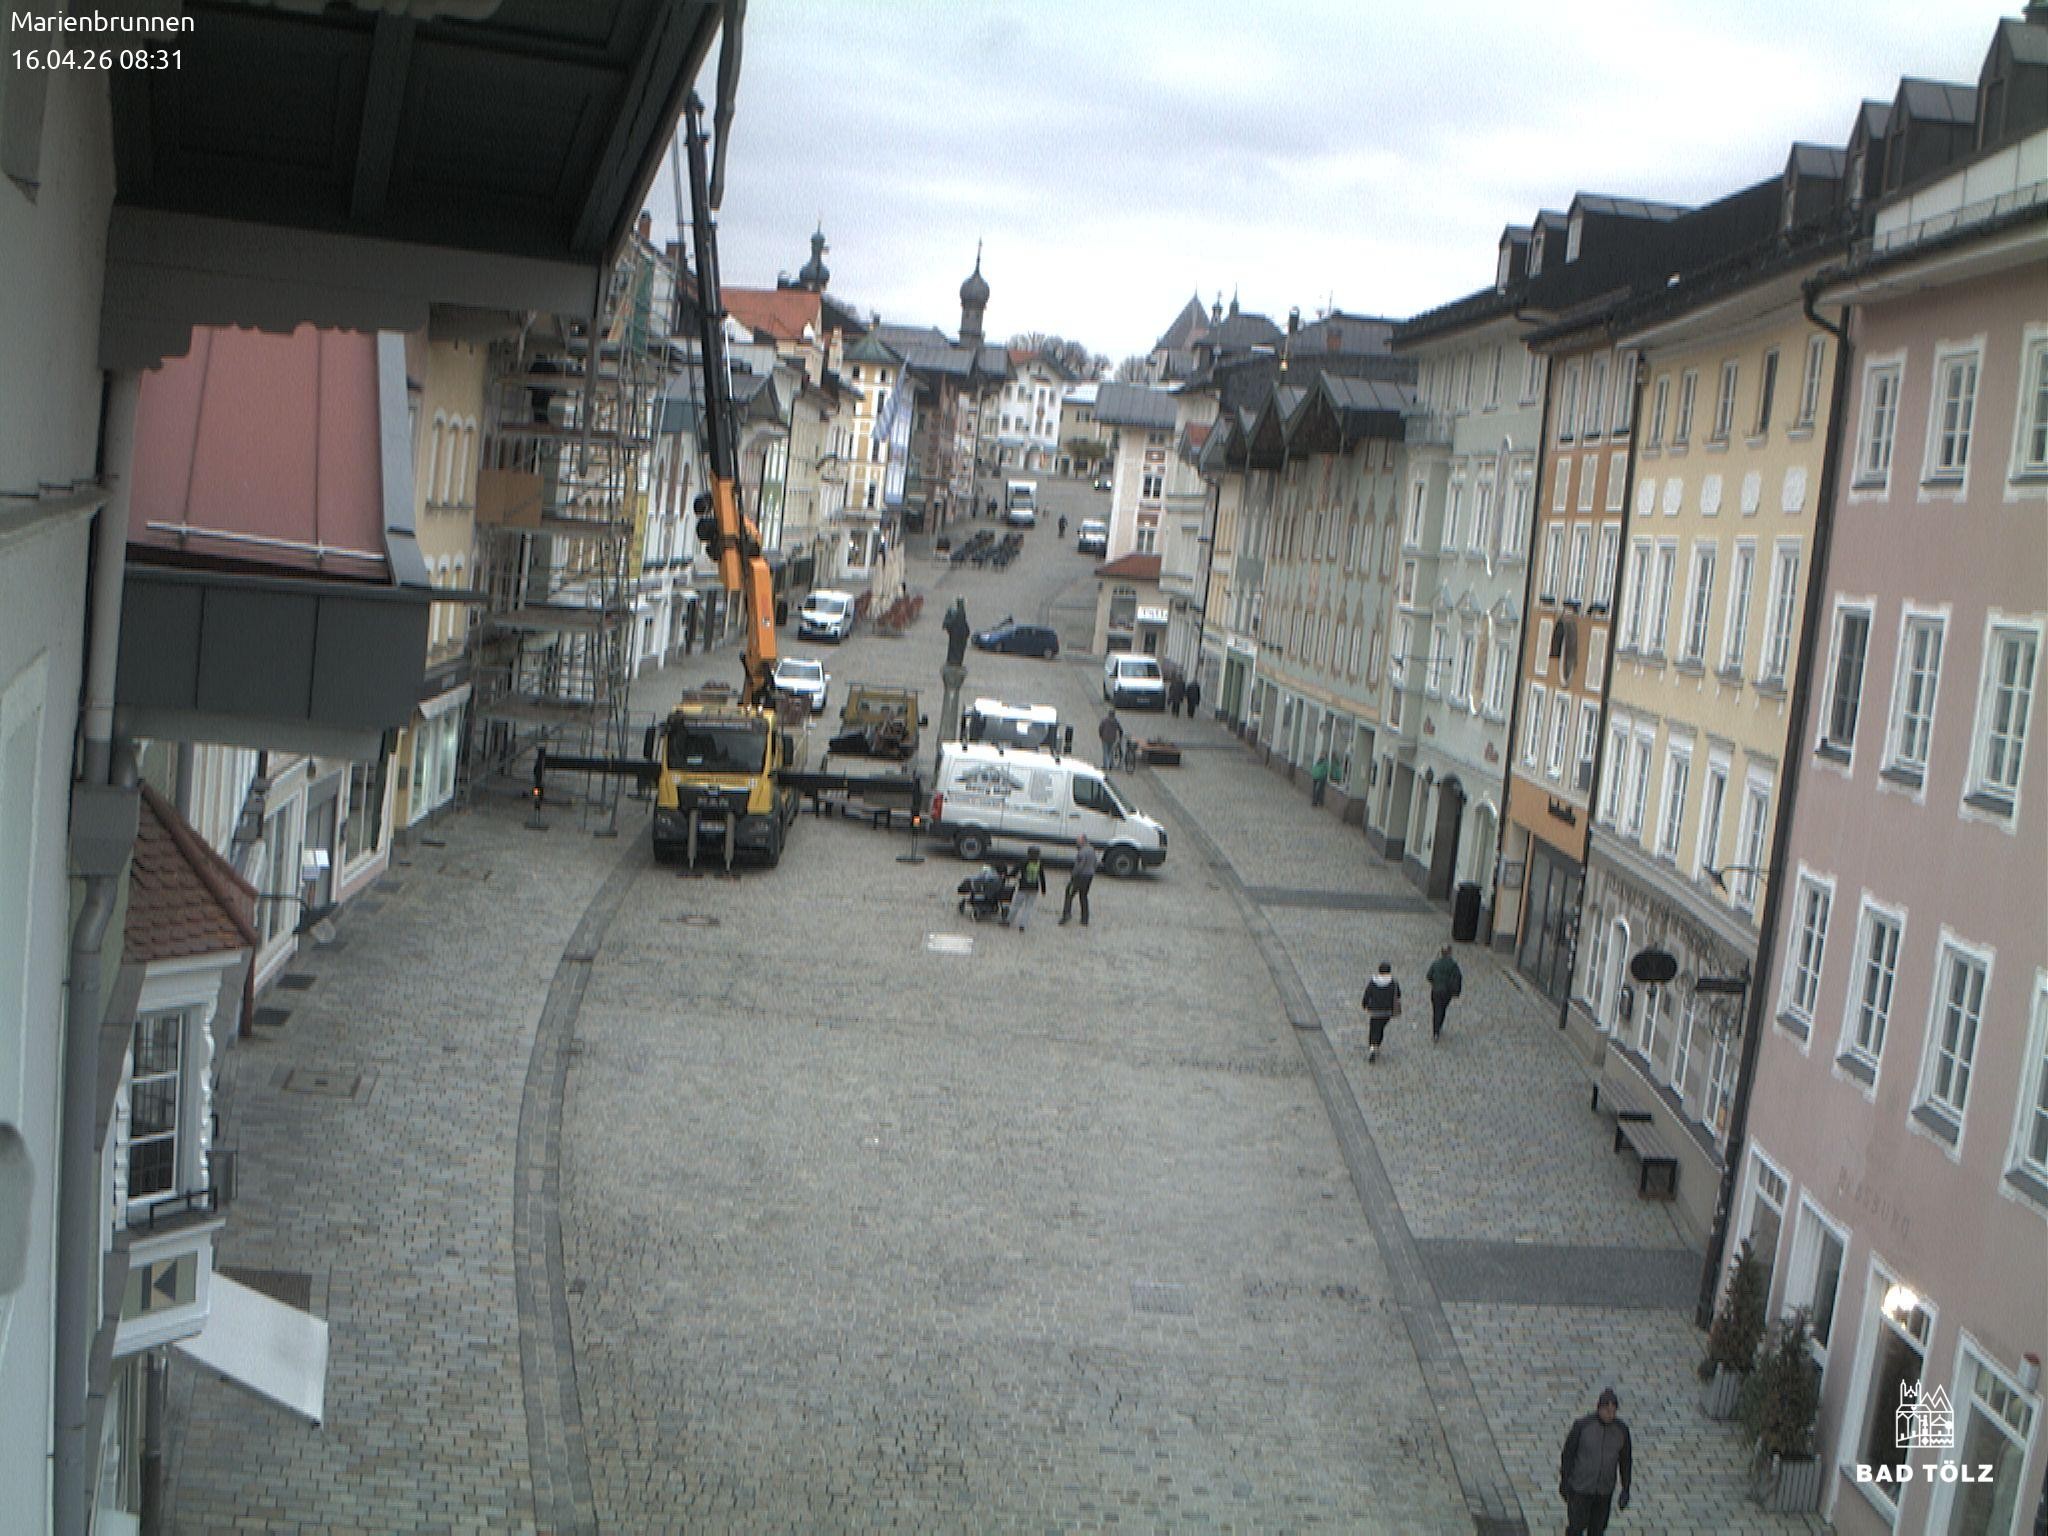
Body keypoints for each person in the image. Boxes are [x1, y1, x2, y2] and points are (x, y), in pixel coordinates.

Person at [1560, 1388, 1633, 1535]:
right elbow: (1568, 1455)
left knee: (1598, 1530)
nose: (1610, 1414)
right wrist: (1565, 1481)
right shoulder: (1583, 1426)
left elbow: (1625, 1461)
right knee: (1576, 1526)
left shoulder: (1621, 1431)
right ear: (1599, 1408)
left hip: (1604, 1490)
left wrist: (1626, 1488)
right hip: (1581, 1487)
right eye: (1607, 1410)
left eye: (1613, 1411)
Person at [1360, 962, 1401, 1063]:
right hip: (1387, 1011)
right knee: (1380, 1028)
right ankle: (1377, 1044)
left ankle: (1372, 1046)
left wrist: (1364, 1004)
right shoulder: (1393, 982)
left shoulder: (1373, 982)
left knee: (1373, 1028)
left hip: (1374, 1010)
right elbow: (1398, 994)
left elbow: (1367, 994)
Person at [1426, 944, 1464, 1040]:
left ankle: (1436, 1030)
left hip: (1436, 991)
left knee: (1436, 1010)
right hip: (1447, 992)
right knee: (1442, 1009)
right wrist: (1456, 992)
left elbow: (1429, 976)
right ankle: (1439, 1025)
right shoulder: (1453, 965)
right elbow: (1458, 978)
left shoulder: (1436, 963)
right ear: (1450, 953)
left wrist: (1434, 983)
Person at [1059, 835, 1100, 927]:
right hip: (1089, 876)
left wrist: (1073, 875)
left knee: (1069, 893)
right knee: (1083, 896)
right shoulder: (1092, 850)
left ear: (1082, 841)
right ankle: (1085, 919)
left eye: (1078, 841)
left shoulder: (1081, 852)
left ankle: (1066, 915)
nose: (1076, 843)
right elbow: (1095, 863)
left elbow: (1079, 866)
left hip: (1080, 877)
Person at [1009, 847, 1046, 932]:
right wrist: (1043, 890)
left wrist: (1008, 875)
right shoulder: (1039, 863)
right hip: (1034, 889)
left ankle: (1009, 921)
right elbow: (1042, 877)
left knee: (1016, 905)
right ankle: (1023, 925)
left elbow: (1015, 871)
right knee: (1028, 908)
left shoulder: (1024, 861)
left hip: (1023, 887)